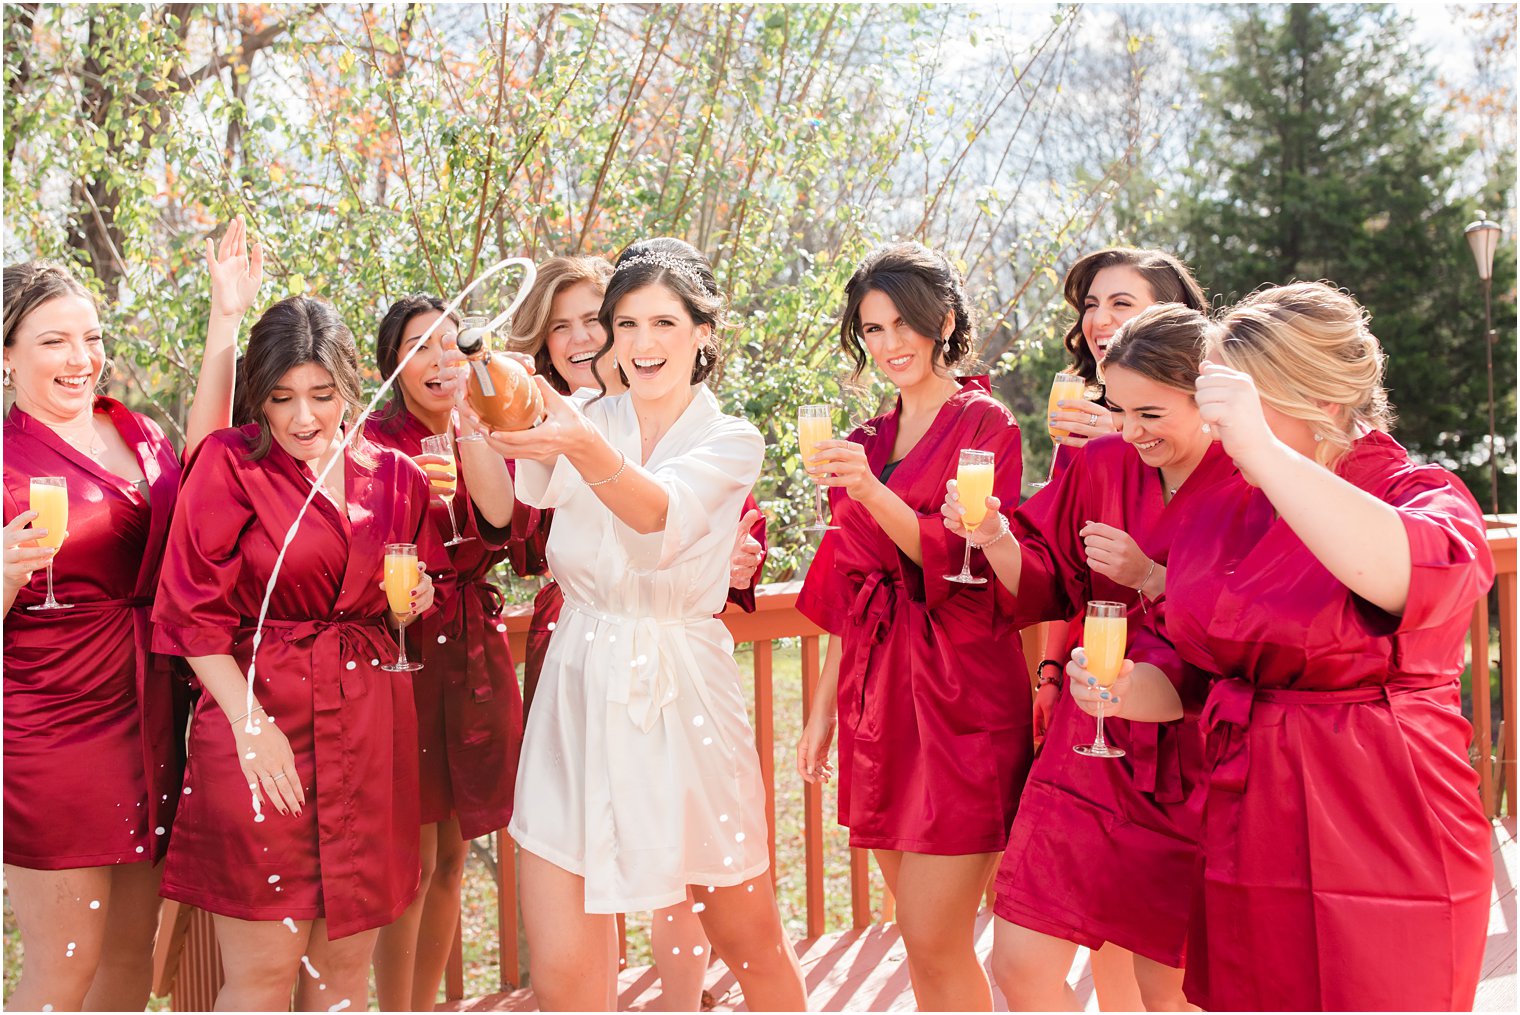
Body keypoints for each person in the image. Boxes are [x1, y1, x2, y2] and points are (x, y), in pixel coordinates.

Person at [1064, 284, 1494, 1011]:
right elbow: (1203, 667)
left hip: (1383, 824)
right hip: (1250, 824)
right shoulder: (1233, 508)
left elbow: (1410, 571)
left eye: (1236, 401)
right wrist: (1132, 688)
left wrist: (1263, 453)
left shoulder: (1419, 493)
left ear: (1321, 402)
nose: (1220, 424)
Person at [482, 238, 806, 1011]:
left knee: (746, 935)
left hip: (682, 685)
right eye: (626, 324)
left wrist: (577, 438)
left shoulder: (731, 440)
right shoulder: (584, 413)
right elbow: (516, 480)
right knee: (562, 965)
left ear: (703, 333)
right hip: (578, 676)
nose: (643, 343)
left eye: (664, 322)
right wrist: (487, 398)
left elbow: (655, 514)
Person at [151, 294, 451, 1011]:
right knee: (260, 976)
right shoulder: (229, 465)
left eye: (322, 393)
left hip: (366, 731)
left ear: (352, 384)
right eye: (281, 397)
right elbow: (192, 614)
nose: (303, 417)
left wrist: (415, 601)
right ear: (259, 396)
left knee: (343, 977)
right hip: (260, 727)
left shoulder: (398, 475)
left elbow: (406, 592)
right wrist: (251, 729)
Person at [945, 304, 1230, 1010]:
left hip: (1194, 756)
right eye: (1118, 408)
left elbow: (1255, 620)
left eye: (1151, 414)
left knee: (1170, 983)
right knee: (1018, 961)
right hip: (1091, 739)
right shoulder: (1102, 462)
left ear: (1207, 395)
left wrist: (1155, 579)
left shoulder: (1253, 480)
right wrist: (994, 537)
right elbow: (1050, 570)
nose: (1129, 431)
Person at [1, 220, 252, 1011]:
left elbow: (207, 462)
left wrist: (225, 317)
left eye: (91, 337)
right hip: (50, 725)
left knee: (130, 961)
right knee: (64, 964)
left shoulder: (134, 429)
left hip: (148, 711)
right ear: (6, 354)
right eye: (53, 342)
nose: (82, 358)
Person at [795, 241, 1030, 1011]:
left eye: (904, 323)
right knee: (917, 939)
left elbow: (963, 556)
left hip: (961, 691)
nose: (889, 343)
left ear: (944, 323)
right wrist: (824, 711)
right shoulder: (862, 441)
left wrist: (870, 493)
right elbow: (848, 582)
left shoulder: (985, 423)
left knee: (937, 935)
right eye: (871, 328)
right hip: (878, 699)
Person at [364, 294, 532, 1011]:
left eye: (447, 344)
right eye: (416, 345)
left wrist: (474, 432)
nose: (437, 360)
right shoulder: (371, 441)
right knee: (413, 856)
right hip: (402, 655)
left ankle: (425, 1004)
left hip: (472, 650)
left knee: (456, 855)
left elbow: (512, 530)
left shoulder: (487, 426)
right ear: (392, 364)